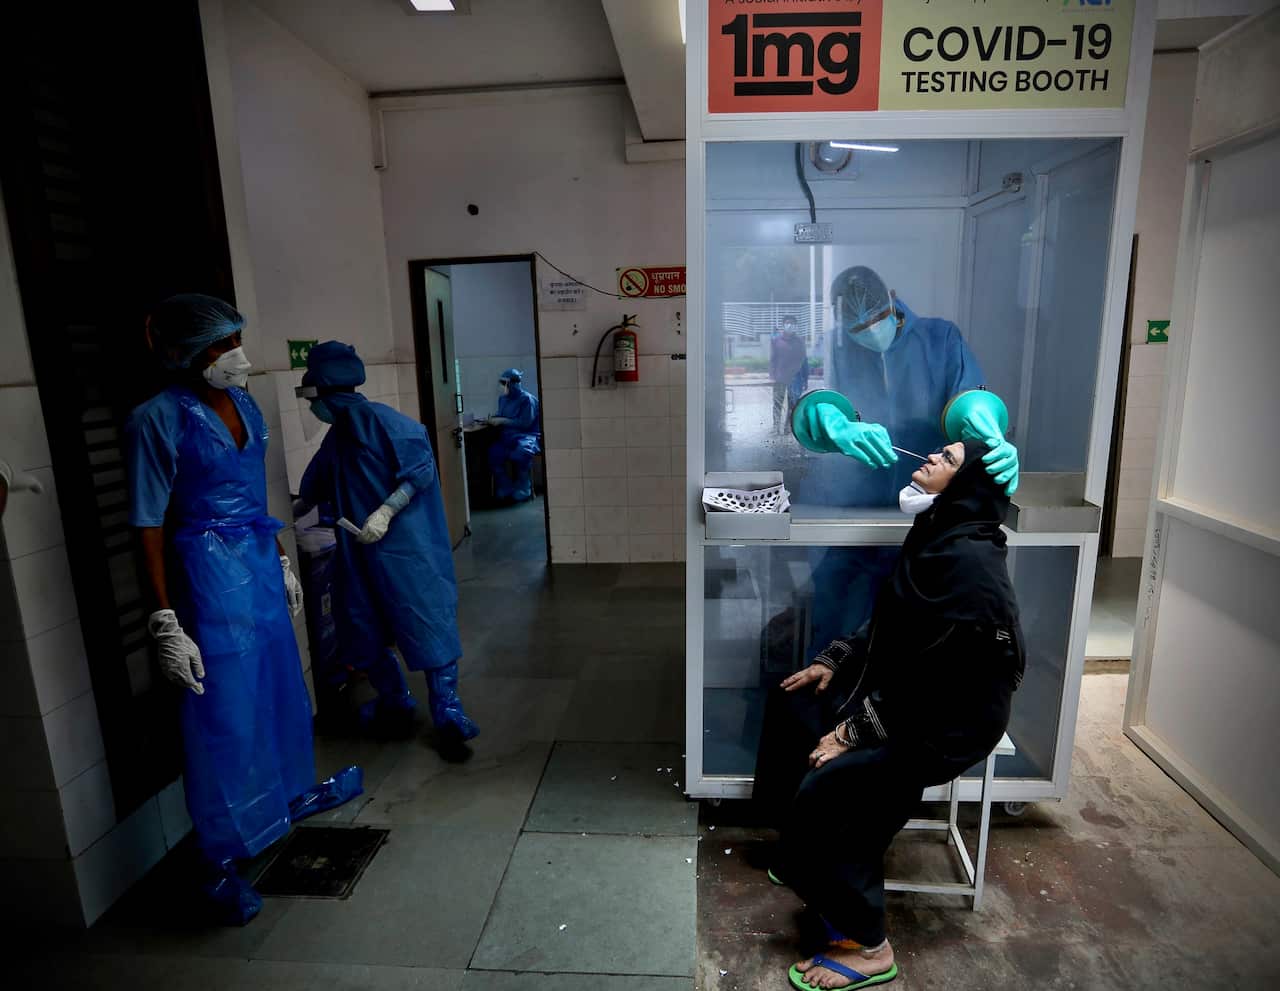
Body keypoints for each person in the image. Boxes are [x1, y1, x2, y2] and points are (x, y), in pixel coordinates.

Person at [754, 438, 1025, 990]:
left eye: (947, 459)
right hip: (910, 694)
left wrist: (853, 732)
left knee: (837, 787)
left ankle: (869, 946)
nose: (929, 458)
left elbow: (946, 677)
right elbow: (893, 618)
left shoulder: (970, 562)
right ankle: (806, 857)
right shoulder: (939, 531)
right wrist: (837, 658)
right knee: (796, 704)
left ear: (968, 484)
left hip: (951, 721)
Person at [125, 295, 360, 926]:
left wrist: (280, 558)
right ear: (182, 353)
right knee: (223, 706)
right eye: (218, 344)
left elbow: (254, 492)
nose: (233, 355)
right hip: (205, 568)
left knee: (280, 685)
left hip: (255, 556)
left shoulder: (247, 405)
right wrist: (166, 619)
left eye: (234, 339)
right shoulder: (157, 419)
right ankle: (217, 858)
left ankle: (285, 796)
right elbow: (146, 522)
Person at [797, 265, 1020, 650]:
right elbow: (809, 400)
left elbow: (967, 396)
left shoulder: (940, 338)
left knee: (910, 636)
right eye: (857, 327)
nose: (870, 331)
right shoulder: (834, 347)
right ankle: (835, 703)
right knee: (838, 627)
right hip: (853, 513)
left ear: (893, 298)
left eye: (878, 318)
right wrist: (832, 422)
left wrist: (983, 419)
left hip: (926, 519)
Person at [296, 341, 479, 758]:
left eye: (314, 399)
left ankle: (448, 711)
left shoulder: (390, 425)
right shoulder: (336, 438)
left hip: (407, 550)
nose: (314, 410)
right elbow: (314, 485)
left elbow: (420, 473)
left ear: (326, 390)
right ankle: (395, 701)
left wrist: (384, 512)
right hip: (357, 552)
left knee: (425, 619)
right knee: (359, 625)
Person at [486, 368, 541, 503]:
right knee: (494, 453)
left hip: (527, 436)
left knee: (522, 452)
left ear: (513, 383)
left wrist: (503, 420)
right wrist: (493, 419)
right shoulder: (503, 399)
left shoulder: (527, 400)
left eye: (504, 383)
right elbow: (501, 414)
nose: (502, 387)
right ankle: (506, 486)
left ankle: (524, 487)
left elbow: (525, 423)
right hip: (507, 437)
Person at [770, 315, 809, 435]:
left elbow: (804, 361)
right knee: (777, 404)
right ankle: (776, 427)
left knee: (793, 404)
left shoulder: (800, 342)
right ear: (783, 325)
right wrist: (772, 375)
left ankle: (788, 427)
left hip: (796, 378)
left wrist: (805, 379)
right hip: (780, 378)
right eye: (787, 323)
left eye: (792, 323)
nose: (790, 325)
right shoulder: (776, 341)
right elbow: (773, 360)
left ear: (796, 326)